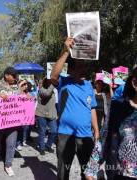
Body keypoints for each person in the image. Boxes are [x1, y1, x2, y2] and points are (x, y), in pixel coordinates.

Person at [51, 37, 99, 180]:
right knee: (63, 172)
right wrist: (66, 52)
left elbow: (92, 108)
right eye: (79, 67)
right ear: (70, 70)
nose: (83, 69)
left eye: (84, 66)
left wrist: (96, 130)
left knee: (88, 172)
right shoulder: (64, 83)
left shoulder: (89, 86)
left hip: (86, 136)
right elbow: (53, 75)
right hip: (65, 135)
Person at [85, 67, 137, 180]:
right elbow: (104, 139)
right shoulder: (117, 108)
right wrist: (92, 169)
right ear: (134, 82)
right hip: (119, 173)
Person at [0, 67, 20, 177]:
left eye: (16, 75)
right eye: (13, 75)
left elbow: (22, 100)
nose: (15, 77)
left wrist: (27, 96)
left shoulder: (17, 85)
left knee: (11, 144)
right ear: (7, 75)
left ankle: (8, 165)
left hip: (14, 121)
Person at [35, 77, 58, 155]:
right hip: (41, 114)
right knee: (42, 131)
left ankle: (48, 145)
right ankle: (41, 147)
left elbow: (56, 103)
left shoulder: (54, 90)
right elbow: (47, 94)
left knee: (54, 131)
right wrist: (53, 85)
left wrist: (56, 113)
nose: (50, 83)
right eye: (49, 81)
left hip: (52, 114)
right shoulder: (41, 89)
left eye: (51, 81)